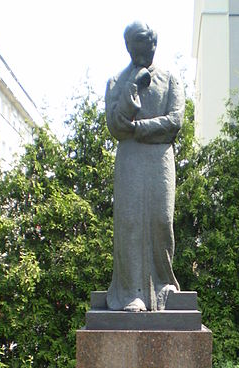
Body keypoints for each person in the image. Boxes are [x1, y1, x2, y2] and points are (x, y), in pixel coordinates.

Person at [105, 21, 185, 312]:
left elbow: (174, 122)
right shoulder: (116, 82)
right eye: (138, 47)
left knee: (161, 221)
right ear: (129, 47)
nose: (146, 51)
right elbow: (116, 125)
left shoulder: (171, 80)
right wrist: (131, 90)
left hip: (160, 159)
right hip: (129, 160)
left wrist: (138, 129)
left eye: (149, 45)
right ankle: (130, 293)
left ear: (155, 43)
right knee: (129, 223)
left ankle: (164, 286)